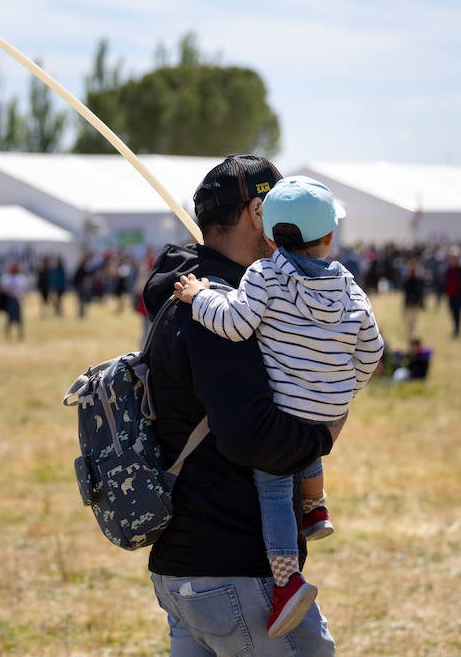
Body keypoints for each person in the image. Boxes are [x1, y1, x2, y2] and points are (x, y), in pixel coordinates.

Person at [141, 155, 340, 655]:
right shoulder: (220, 308)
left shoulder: (197, 293)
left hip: (190, 567)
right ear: (257, 211)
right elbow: (251, 437)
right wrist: (325, 430)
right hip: (231, 566)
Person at [174, 175, 384, 637]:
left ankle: (287, 582)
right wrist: (346, 389)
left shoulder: (264, 274)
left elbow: (234, 323)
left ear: (269, 233)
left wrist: (197, 296)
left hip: (284, 411)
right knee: (307, 445)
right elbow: (372, 349)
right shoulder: (348, 284)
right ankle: (316, 507)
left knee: (272, 490)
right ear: (329, 237)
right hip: (324, 410)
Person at [441, 250, 461, 338]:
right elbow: (444, 282)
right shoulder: (448, 270)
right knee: (452, 312)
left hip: (459, 295)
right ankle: (455, 327)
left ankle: (457, 329)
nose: (453, 261)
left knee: (458, 312)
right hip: (451, 295)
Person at [400, 258, 427, 341]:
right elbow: (403, 288)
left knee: (413, 319)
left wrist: (421, 302)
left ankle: (411, 332)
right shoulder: (406, 277)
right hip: (407, 301)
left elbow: (421, 291)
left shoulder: (419, 278)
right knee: (406, 318)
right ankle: (409, 332)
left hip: (415, 302)